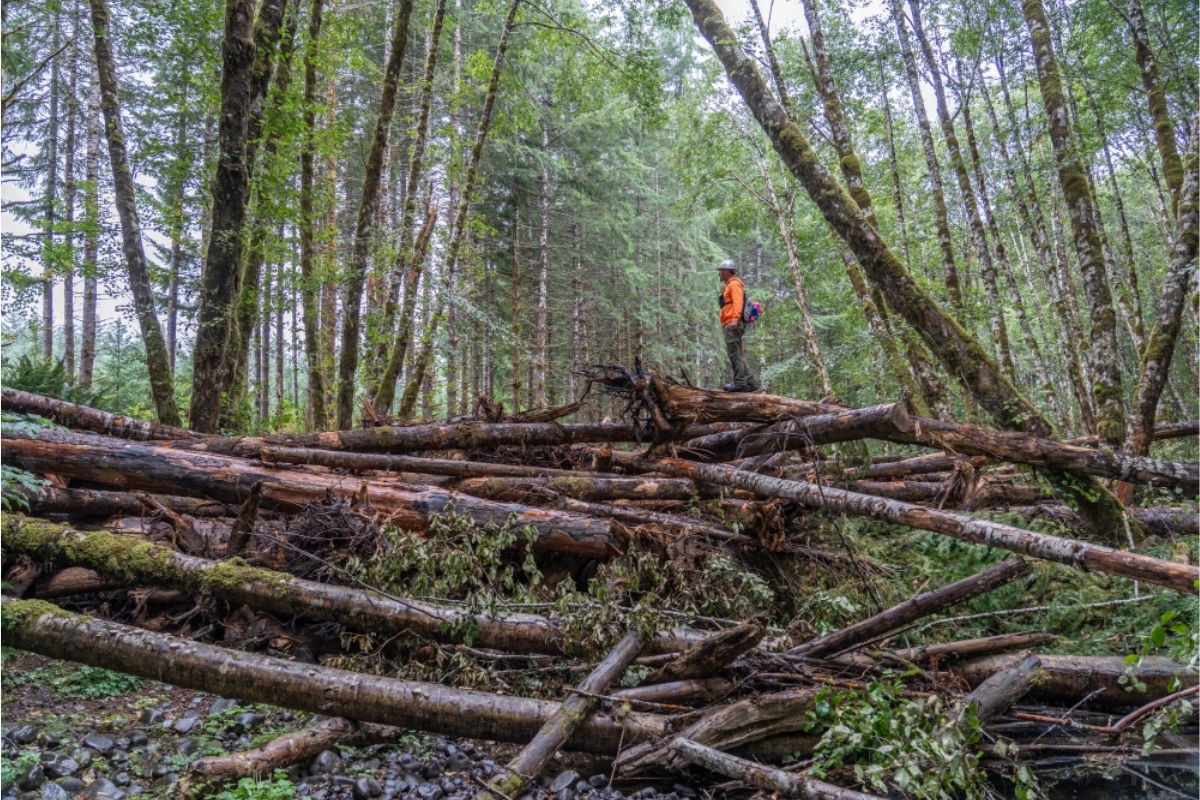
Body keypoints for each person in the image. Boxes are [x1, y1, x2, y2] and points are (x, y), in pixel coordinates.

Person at [717, 260, 760, 392]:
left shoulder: (734, 284)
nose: (719, 274)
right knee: (737, 354)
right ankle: (751, 382)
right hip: (730, 322)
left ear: (726, 271)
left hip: (732, 323)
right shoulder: (730, 285)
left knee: (734, 354)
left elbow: (738, 303)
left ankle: (739, 383)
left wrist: (734, 320)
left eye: (720, 271)